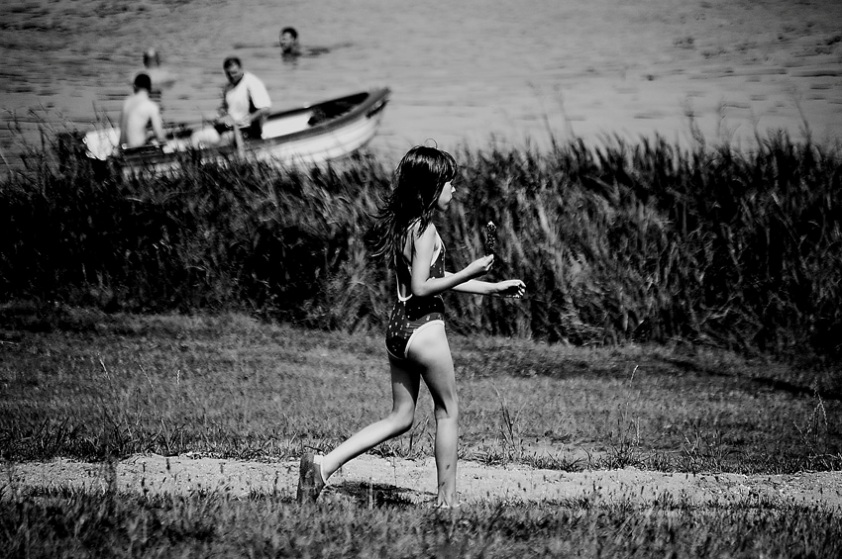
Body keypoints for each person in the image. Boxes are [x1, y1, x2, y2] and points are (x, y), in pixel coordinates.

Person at [296, 146, 527, 508]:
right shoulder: (426, 230)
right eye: (449, 182)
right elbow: (423, 287)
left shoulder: (406, 226)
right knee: (448, 412)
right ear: (432, 187)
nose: (454, 189)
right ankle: (447, 502)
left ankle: (322, 467)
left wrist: (492, 288)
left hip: (399, 330)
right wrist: (472, 270)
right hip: (425, 330)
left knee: (401, 417)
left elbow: (436, 276)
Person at [217, 56, 272, 141]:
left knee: (224, 139)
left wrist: (250, 118)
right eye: (228, 74)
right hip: (232, 127)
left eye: (234, 73)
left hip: (250, 129)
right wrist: (221, 113)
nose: (231, 76)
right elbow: (224, 109)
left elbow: (266, 109)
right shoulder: (227, 88)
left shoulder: (252, 82)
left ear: (241, 69)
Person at [118, 73, 167, 149]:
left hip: (124, 148)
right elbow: (160, 136)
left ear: (135, 86)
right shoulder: (151, 106)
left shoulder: (127, 101)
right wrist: (165, 144)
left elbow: (122, 127)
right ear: (150, 88)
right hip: (138, 149)